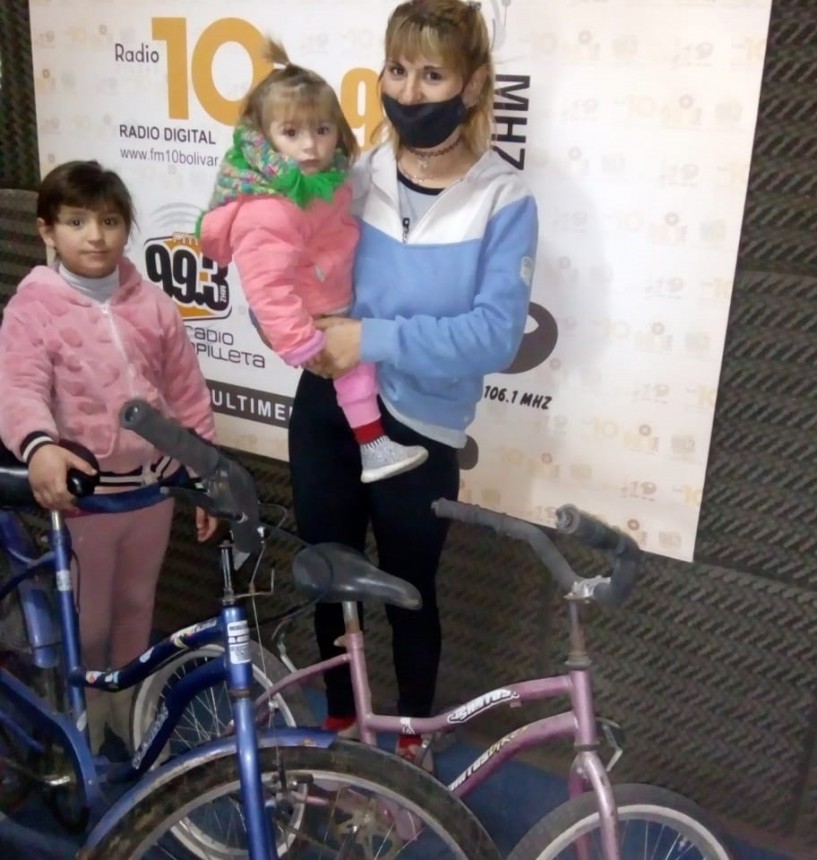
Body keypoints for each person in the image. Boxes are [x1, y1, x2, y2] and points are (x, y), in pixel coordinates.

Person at [290, 0, 539, 767]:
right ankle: (338, 728)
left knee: (408, 595)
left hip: (421, 432)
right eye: (398, 69)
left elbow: (493, 336)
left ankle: (411, 744)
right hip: (328, 408)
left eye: (433, 73)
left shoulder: (505, 197)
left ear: (472, 86)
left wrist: (374, 336)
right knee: (330, 578)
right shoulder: (354, 170)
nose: (410, 89)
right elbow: (304, 264)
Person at [0, 160, 218, 754]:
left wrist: (204, 475)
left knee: (135, 610)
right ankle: (84, 725)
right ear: (47, 231)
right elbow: (19, 390)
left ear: (127, 229)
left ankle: (129, 712)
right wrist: (40, 447)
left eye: (110, 221)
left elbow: (185, 394)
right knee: (87, 625)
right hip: (83, 503)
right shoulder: (33, 308)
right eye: (76, 221)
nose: (95, 236)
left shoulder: (153, 304)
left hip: (151, 493)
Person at [199, 39, 428, 484]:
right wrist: (302, 343)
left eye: (322, 130)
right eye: (292, 133)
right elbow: (267, 289)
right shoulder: (271, 209)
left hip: (332, 302)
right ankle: (374, 447)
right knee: (355, 369)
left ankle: (372, 447)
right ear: (263, 139)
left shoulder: (328, 181)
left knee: (359, 372)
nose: (310, 146)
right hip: (311, 317)